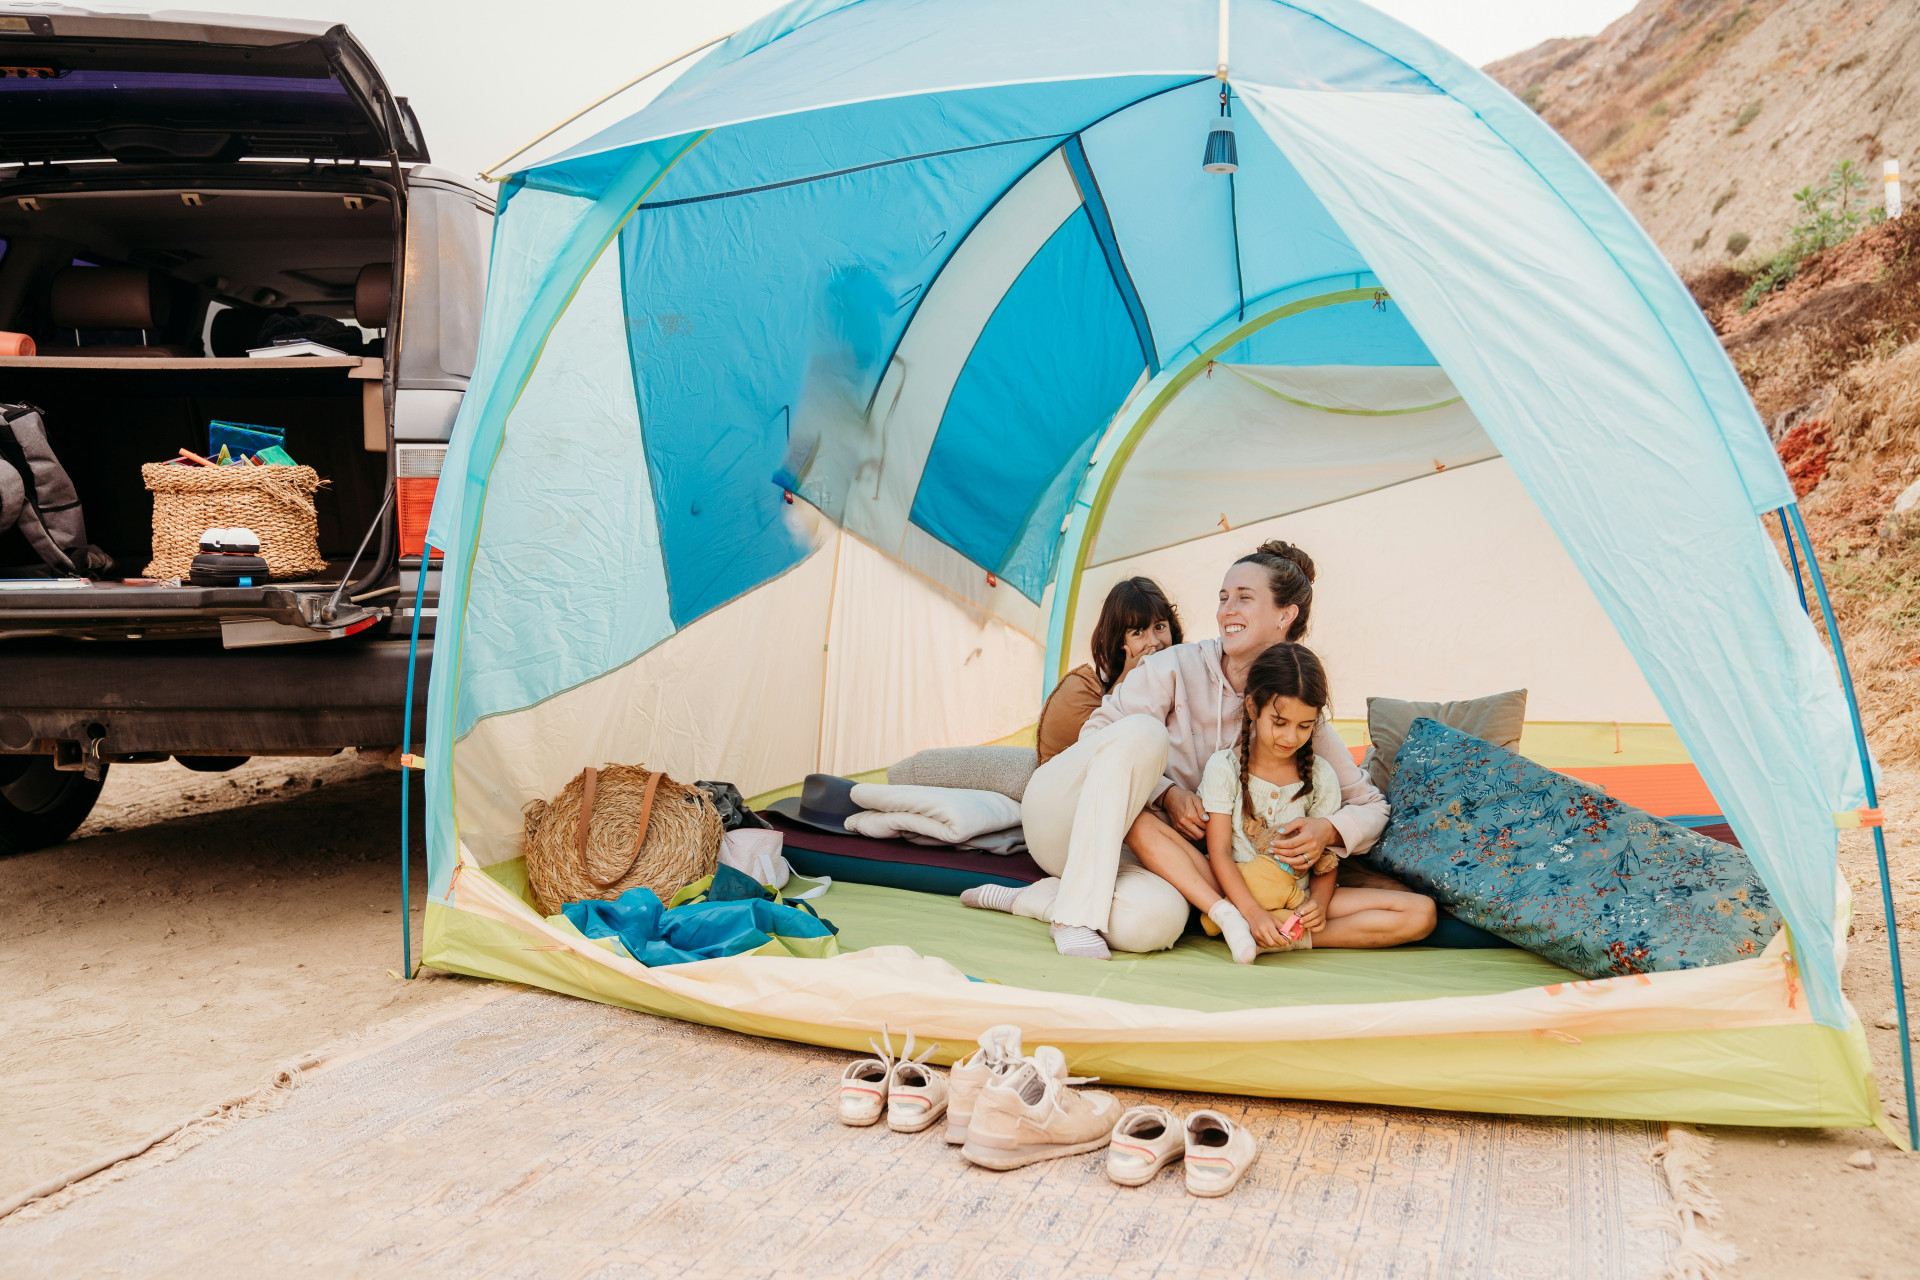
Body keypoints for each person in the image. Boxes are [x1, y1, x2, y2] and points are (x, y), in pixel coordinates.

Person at [964, 540, 1420, 959]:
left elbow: (1369, 805)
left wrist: (1327, 830)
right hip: (1068, 819)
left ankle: (1041, 900)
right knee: (1143, 732)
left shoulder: (1295, 714)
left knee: (1155, 925)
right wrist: (1165, 794)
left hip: (1141, 854)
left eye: (1244, 597)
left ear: (1285, 615)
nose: (1226, 610)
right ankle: (1074, 918)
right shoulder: (1174, 667)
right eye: (1223, 597)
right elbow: (1096, 738)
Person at [1198, 642, 1435, 963]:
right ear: (1252, 707)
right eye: (1279, 722)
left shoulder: (1320, 775)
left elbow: (1325, 859)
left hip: (1300, 897)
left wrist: (1319, 906)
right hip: (1241, 897)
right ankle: (1252, 927)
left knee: (1422, 913)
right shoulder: (1224, 767)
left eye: (1304, 726)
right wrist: (1252, 913)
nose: (1290, 737)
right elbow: (1219, 853)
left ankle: (1290, 938)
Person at [1036, 577, 1182, 766]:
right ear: (1120, 641)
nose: (1154, 641)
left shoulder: (1184, 664)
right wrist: (1127, 675)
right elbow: (1104, 732)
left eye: (1160, 627)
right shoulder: (1107, 685)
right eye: (1138, 633)